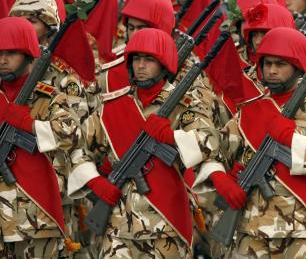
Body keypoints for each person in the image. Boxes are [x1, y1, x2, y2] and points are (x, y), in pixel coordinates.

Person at [67, 28, 218, 258]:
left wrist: (172, 137)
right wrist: (95, 181)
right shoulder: (112, 106)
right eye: (136, 59)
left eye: (149, 59)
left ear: (164, 65)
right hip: (118, 227)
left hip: (167, 228)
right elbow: (76, 146)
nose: (141, 65)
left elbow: (209, 143)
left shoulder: (183, 104)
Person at [205, 27, 306, 258]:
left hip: (298, 229)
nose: (271, 70)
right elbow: (214, 148)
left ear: (297, 67)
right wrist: (221, 178)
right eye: (267, 64)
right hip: (250, 228)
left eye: (280, 65)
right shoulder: (252, 108)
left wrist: (291, 139)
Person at [0, 17, 84, 257]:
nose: (3, 59)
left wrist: (30, 124)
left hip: (36, 216)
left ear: (28, 54)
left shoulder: (48, 98)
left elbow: (72, 135)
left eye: (11, 53)